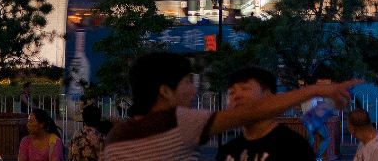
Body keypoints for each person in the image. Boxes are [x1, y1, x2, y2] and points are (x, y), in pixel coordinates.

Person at [100, 52, 357, 161]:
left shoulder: (114, 138)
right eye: (188, 81)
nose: (194, 89)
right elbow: (249, 113)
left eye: (245, 89)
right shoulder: (180, 123)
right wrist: (320, 90)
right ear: (165, 92)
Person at [215, 67, 314, 161]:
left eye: (244, 88)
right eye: (231, 92)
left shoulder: (294, 148)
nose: (236, 96)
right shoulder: (227, 151)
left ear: (268, 96)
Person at [301, 95, 336, 161]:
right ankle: (317, 156)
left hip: (307, 121)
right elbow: (320, 110)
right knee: (326, 138)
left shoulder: (304, 97)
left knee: (311, 140)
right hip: (316, 121)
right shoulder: (319, 96)